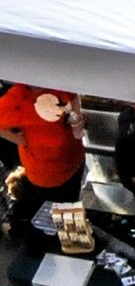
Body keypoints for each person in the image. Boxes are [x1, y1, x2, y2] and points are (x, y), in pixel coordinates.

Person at [0, 85, 85, 229]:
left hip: (74, 160)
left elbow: (74, 100)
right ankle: (74, 240)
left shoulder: (59, 84)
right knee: (65, 209)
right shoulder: (17, 98)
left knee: (71, 200)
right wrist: (18, 139)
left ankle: (73, 235)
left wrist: (77, 119)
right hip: (47, 171)